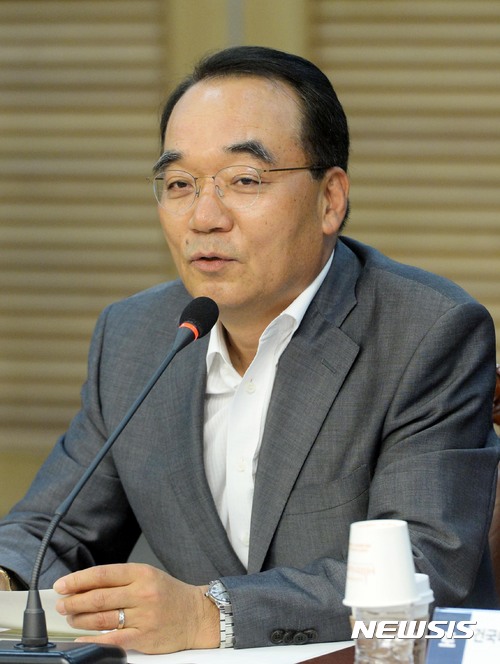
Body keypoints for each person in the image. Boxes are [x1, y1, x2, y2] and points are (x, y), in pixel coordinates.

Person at [0, 45, 498, 654]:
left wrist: (209, 613)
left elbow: (425, 567)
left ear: (330, 200)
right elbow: (53, 529)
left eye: (244, 181)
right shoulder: (135, 336)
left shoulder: (426, 332)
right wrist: (6, 574)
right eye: (179, 184)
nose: (204, 217)